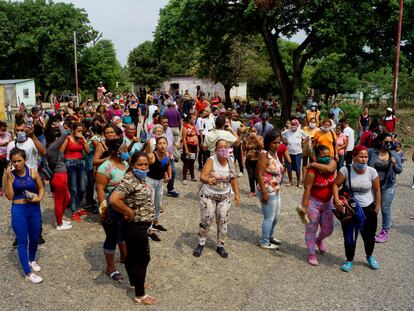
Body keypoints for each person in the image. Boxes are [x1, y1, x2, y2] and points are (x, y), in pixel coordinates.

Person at [109, 152, 156, 305]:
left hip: (137, 225)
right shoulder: (130, 180)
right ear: (133, 165)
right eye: (140, 165)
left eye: (146, 164)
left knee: (132, 256)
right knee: (142, 259)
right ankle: (140, 294)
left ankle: (134, 283)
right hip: (136, 225)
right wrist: (128, 211)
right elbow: (114, 199)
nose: (143, 167)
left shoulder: (138, 178)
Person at [333, 145, 381, 272]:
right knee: (349, 236)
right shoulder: (345, 170)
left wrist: (377, 208)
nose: (364, 159)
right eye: (361, 157)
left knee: (369, 236)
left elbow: (377, 190)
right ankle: (349, 260)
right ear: (354, 157)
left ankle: (370, 256)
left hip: (368, 208)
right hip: (350, 209)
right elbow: (335, 185)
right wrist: (337, 200)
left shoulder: (372, 171)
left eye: (366, 157)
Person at [193, 139, 240, 258]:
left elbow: (234, 178)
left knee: (223, 220)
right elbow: (202, 176)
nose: (223, 149)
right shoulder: (211, 160)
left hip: (224, 196)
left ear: (228, 148)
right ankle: (201, 243)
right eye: (220, 147)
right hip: (209, 195)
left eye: (225, 146)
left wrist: (237, 195)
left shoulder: (231, 161)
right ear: (216, 149)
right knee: (206, 220)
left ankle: (220, 245)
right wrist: (208, 180)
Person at [4, 148, 45, 283]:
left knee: (34, 237)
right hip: (19, 210)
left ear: (25, 160)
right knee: (22, 241)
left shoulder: (32, 172)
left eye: (19, 161)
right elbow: (9, 196)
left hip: (34, 209)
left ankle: (31, 260)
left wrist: (38, 199)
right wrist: (9, 179)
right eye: (14, 161)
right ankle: (28, 273)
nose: (16, 164)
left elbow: (41, 188)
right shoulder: (10, 175)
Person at [96, 136, 129, 282]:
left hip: (124, 206)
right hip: (111, 207)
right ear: (117, 151)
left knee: (123, 233)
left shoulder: (125, 164)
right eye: (124, 149)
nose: (127, 151)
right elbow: (100, 189)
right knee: (112, 236)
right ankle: (110, 268)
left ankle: (124, 256)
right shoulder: (105, 168)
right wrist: (104, 207)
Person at [299, 145, 336, 265]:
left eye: (328, 155)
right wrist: (304, 206)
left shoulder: (332, 163)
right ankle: (311, 253)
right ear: (316, 156)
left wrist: (314, 163)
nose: (326, 158)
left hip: (327, 203)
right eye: (323, 156)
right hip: (313, 203)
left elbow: (330, 169)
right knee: (311, 229)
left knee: (328, 229)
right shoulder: (311, 172)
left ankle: (318, 240)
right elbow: (307, 189)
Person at [368, 133, 402, 243]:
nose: (388, 144)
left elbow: (399, 170)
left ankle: (385, 231)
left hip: (388, 185)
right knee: (371, 206)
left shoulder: (393, 154)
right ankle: (369, 228)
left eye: (390, 142)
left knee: (385, 207)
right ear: (380, 141)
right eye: (386, 142)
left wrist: (394, 164)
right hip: (373, 185)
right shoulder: (371, 152)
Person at [256, 131, 284, 249]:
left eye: (279, 142)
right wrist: (264, 192)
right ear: (268, 142)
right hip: (267, 189)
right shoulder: (264, 154)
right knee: (269, 217)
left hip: (275, 189)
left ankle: (270, 236)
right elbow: (259, 174)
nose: (277, 145)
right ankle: (265, 241)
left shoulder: (275, 153)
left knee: (276, 216)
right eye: (274, 143)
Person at [59, 122, 90, 222]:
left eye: (82, 131)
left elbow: (88, 152)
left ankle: (79, 206)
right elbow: (61, 151)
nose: (80, 132)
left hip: (81, 163)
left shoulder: (81, 140)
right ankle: (74, 211)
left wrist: (84, 140)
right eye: (78, 130)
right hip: (70, 163)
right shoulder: (68, 138)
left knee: (82, 187)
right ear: (73, 130)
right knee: (73, 188)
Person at [45, 119, 71, 230]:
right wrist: (59, 125)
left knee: (67, 199)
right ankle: (59, 224)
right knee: (59, 201)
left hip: (61, 176)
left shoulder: (52, 147)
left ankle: (59, 218)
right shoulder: (52, 148)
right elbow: (65, 134)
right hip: (59, 177)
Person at [146, 136, 172, 241]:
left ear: (167, 145)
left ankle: (155, 222)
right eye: (160, 143)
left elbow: (168, 164)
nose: (162, 145)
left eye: (164, 143)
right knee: (150, 204)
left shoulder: (167, 154)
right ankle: (149, 229)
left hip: (160, 182)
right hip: (150, 181)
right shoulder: (152, 156)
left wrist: (169, 176)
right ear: (156, 146)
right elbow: (142, 165)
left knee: (158, 203)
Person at [282, 119, 308, 187]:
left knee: (297, 168)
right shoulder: (287, 132)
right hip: (288, 152)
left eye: (295, 125)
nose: (293, 126)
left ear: (297, 125)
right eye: (292, 124)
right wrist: (285, 141)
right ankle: (290, 181)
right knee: (289, 167)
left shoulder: (300, 131)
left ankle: (298, 182)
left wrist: (303, 142)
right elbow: (281, 136)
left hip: (298, 152)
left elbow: (307, 137)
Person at [160, 116, 179, 197]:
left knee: (173, 172)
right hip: (161, 156)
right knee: (160, 173)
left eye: (166, 122)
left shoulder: (169, 130)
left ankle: (170, 189)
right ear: (160, 123)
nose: (165, 124)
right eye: (163, 122)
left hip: (169, 156)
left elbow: (171, 142)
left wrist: (174, 153)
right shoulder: (158, 131)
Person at [242, 126, 263, 196]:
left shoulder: (260, 138)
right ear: (249, 131)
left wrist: (256, 138)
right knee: (251, 176)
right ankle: (252, 190)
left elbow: (261, 146)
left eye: (254, 131)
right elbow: (243, 150)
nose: (253, 133)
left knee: (257, 176)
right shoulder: (245, 139)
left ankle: (258, 190)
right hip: (249, 160)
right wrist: (242, 159)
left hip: (258, 160)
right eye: (252, 131)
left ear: (257, 132)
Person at [181, 113, 199, 184]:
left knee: (192, 161)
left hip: (194, 147)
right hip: (189, 146)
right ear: (189, 119)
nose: (194, 120)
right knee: (187, 162)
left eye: (195, 119)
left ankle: (192, 176)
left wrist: (197, 146)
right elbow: (184, 138)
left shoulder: (193, 126)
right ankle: (184, 177)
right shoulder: (185, 127)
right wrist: (186, 149)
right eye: (193, 118)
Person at [0, 121, 12, 196]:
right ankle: (0, 189)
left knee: (11, 172)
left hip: (7, 156)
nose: (3, 132)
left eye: (4, 130)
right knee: (0, 173)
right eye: (2, 130)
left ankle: (13, 186)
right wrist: (2, 144)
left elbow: (11, 143)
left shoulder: (8, 134)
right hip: (0, 157)